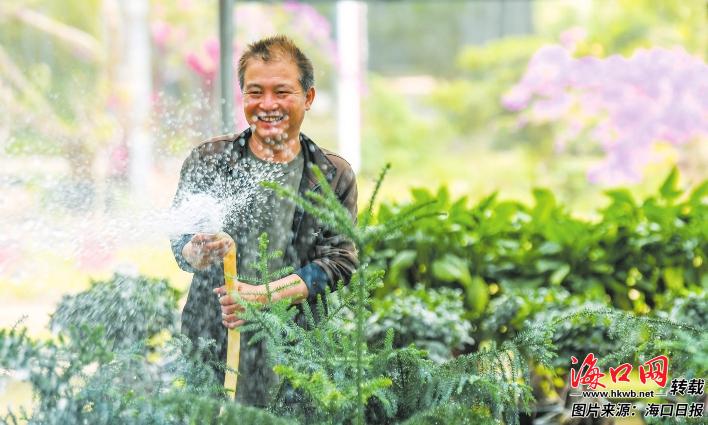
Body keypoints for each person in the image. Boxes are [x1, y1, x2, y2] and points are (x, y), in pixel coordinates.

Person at [170, 35, 358, 407]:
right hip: (212, 342)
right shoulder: (209, 160)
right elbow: (180, 244)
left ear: (308, 97)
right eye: (255, 92)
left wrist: (263, 297)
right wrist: (196, 250)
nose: (267, 104)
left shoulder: (331, 174)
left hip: (295, 348)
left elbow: (339, 261)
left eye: (282, 92)